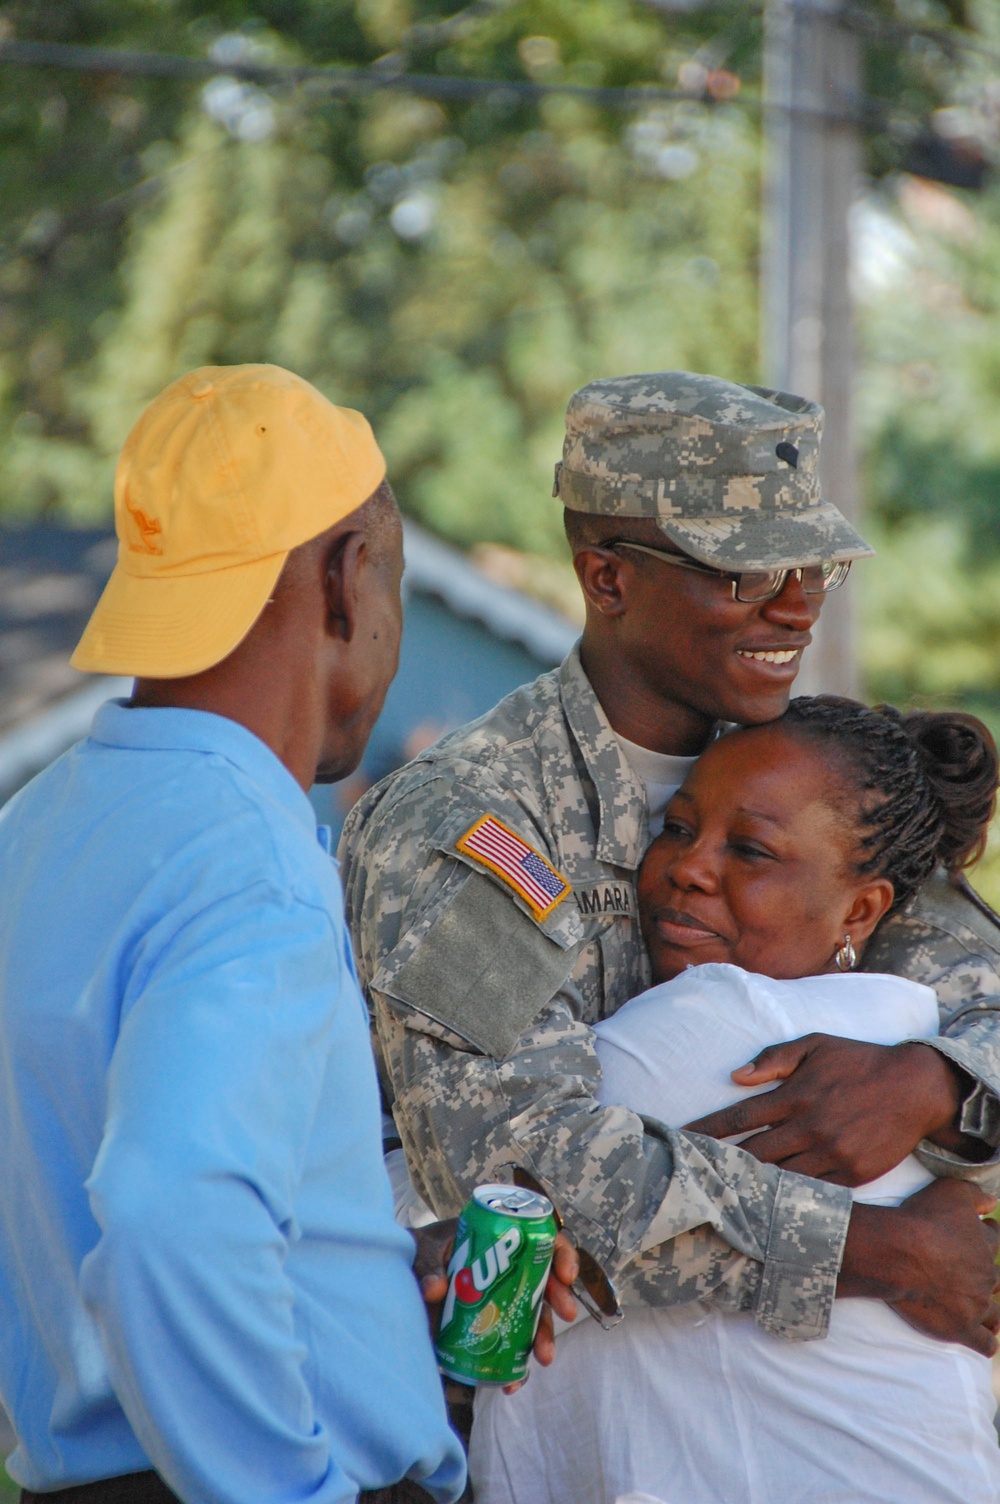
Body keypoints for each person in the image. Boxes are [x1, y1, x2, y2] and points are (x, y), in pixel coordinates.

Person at [340, 371, 1000, 1358]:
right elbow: (520, 1173)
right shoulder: (474, 820)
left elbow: (978, 993)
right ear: (609, 577)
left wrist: (936, 1086)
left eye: (813, 566)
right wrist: (887, 1247)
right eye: (747, 573)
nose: (795, 607)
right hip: (540, 1422)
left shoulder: (810, 776)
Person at [0, 365, 468, 1504]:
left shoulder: (36, 828)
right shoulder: (248, 862)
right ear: (351, 580)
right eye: (395, 579)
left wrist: (340, 1278)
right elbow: (170, 1213)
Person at [470, 697, 1000, 1504]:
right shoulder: (908, 1026)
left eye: (750, 850)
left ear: (862, 910)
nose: (688, 866)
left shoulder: (720, 1025)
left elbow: (474, 1201)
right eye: (676, 828)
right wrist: (890, 1245)